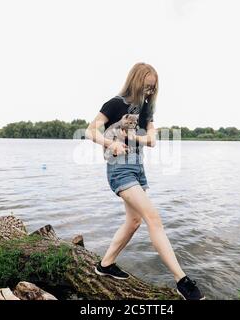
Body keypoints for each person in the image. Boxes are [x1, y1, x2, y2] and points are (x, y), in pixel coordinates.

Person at [85, 62, 205, 300]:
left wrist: (134, 137)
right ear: (136, 81)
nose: (149, 92)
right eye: (146, 86)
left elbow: (152, 140)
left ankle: (105, 265)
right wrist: (112, 143)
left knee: (135, 221)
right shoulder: (116, 103)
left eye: (153, 88)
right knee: (154, 219)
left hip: (139, 169)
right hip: (120, 170)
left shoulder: (148, 109)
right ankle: (182, 281)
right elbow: (90, 131)